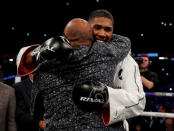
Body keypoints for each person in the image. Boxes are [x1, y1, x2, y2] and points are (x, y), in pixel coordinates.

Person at [16, 17, 145, 130]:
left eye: (107, 29)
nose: (101, 33)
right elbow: (124, 42)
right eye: (97, 28)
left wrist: (107, 97)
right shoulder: (49, 58)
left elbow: (138, 102)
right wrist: (40, 52)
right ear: (90, 32)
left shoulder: (122, 58)